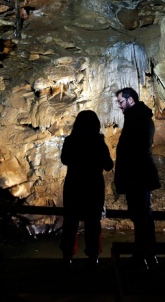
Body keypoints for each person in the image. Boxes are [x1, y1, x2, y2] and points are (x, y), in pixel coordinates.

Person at [59, 110, 114, 267]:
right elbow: (108, 165)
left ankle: (67, 256)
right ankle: (93, 256)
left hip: (74, 185)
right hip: (93, 186)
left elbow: (64, 159)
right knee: (93, 223)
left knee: (70, 222)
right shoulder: (98, 142)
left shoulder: (70, 141)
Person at [114, 87, 161, 269]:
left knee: (141, 215)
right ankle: (147, 254)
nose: (119, 106)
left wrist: (126, 174)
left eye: (121, 101)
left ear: (130, 100)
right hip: (139, 173)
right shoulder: (139, 117)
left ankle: (144, 256)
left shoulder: (137, 118)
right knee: (142, 215)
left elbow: (134, 149)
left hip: (137, 174)